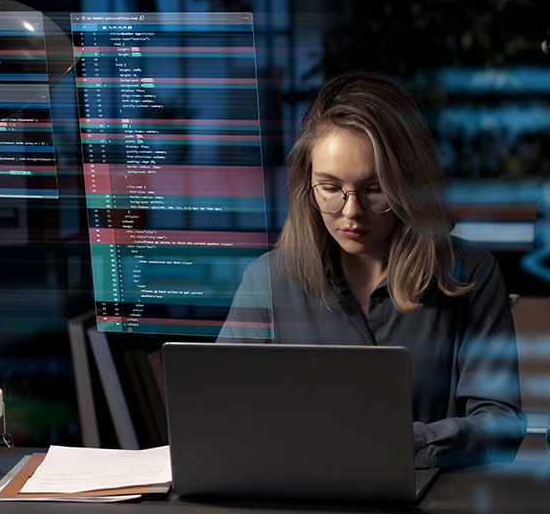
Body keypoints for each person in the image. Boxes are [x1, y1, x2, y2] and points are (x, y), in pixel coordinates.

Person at [218, 72, 526, 469]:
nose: (351, 212)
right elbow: (222, 417)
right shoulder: (267, 281)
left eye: (374, 188)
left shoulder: (470, 273)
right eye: (329, 188)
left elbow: (501, 425)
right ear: (305, 185)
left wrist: (397, 442)